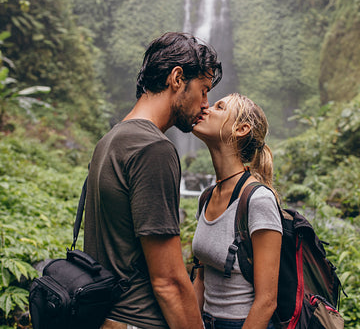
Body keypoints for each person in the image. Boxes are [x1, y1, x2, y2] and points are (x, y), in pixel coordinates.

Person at [83, 32, 222, 329]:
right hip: (137, 321)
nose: (206, 104)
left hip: (103, 315)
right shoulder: (153, 149)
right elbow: (169, 281)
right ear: (177, 78)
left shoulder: (110, 139)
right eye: (204, 89)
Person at [191, 93, 283, 329]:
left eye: (219, 107)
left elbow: (266, 301)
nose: (206, 109)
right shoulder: (207, 197)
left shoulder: (258, 199)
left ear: (241, 129)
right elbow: (201, 279)